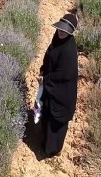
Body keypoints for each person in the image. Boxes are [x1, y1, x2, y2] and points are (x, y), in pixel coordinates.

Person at [38, 13, 78, 158]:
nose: (61, 32)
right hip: (52, 87)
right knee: (47, 116)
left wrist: (46, 79)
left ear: (70, 33)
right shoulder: (57, 40)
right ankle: (44, 142)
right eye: (60, 29)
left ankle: (52, 150)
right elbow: (48, 57)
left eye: (65, 31)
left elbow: (64, 74)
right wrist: (43, 71)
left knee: (56, 124)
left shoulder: (69, 51)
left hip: (62, 93)